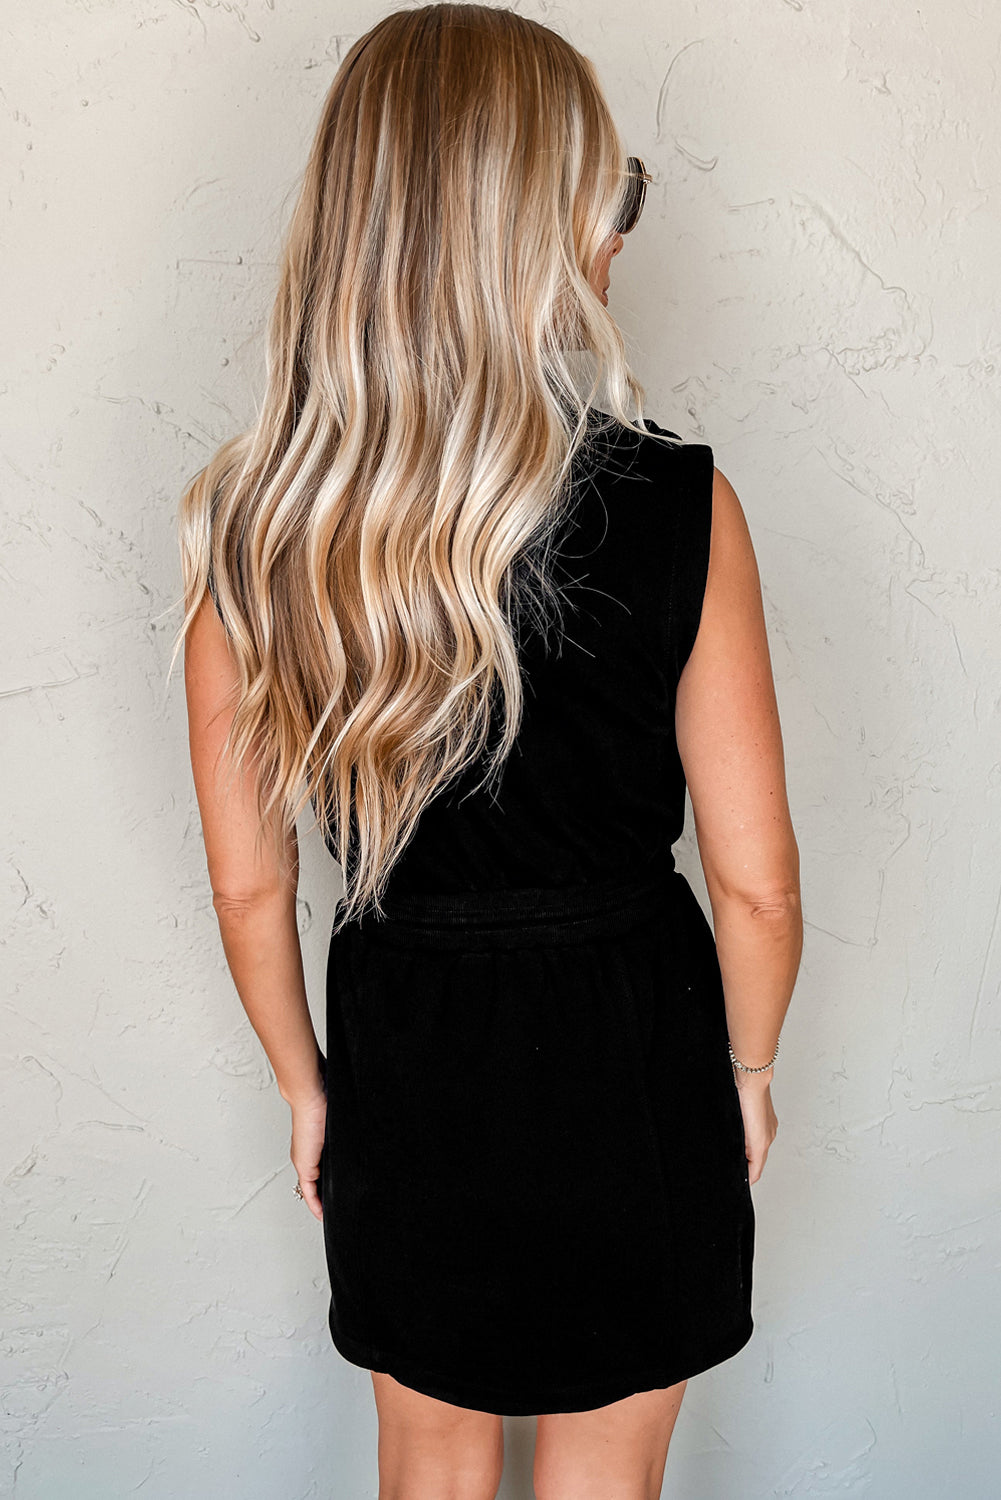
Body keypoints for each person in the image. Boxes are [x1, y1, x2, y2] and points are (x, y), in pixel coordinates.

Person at [175, 4, 802, 1495]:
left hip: (408, 1060)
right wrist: (749, 1067)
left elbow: (252, 888)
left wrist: (310, 1089)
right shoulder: (681, 509)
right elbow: (758, 884)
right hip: (635, 1053)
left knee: (429, 1467)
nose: (621, 231)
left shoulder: (255, 537)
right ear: (534, 225)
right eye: (611, 194)